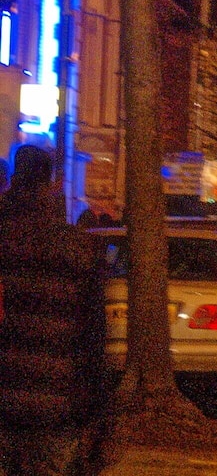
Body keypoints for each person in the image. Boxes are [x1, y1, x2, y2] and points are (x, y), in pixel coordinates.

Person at [0, 146, 113, 476]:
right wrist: (94, 407)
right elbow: (94, 335)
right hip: (57, 405)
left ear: (13, 181)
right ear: (50, 185)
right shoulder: (77, 248)